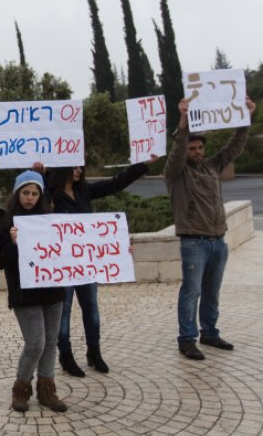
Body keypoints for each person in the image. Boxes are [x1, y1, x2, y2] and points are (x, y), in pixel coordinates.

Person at [45, 154, 157, 377]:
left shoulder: (84, 191)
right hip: (63, 267)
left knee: (91, 310)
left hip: (86, 264)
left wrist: (142, 165)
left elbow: (115, 183)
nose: (79, 170)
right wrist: (42, 173)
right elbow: (31, 196)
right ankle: (65, 355)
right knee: (63, 313)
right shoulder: (50, 195)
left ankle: (94, 352)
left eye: (80, 166)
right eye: (74, 165)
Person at [165, 96, 256, 360]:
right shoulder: (176, 172)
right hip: (194, 242)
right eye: (192, 148)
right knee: (191, 290)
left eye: (199, 148)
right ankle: (186, 339)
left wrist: (246, 118)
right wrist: (183, 121)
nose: (196, 152)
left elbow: (234, 147)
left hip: (218, 240)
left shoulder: (212, 166)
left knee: (212, 290)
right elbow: (177, 151)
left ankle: (209, 332)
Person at [0, 171, 68, 413]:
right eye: (25, 192)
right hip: (25, 293)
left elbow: (67, 250)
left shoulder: (50, 219)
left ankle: (47, 390)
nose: (30, 198)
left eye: (35, 193)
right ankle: (21, 389)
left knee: (51, 342)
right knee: (35, 343)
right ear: (17, 193)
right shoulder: (3, 222)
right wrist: (14, 245)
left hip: (52, 290)